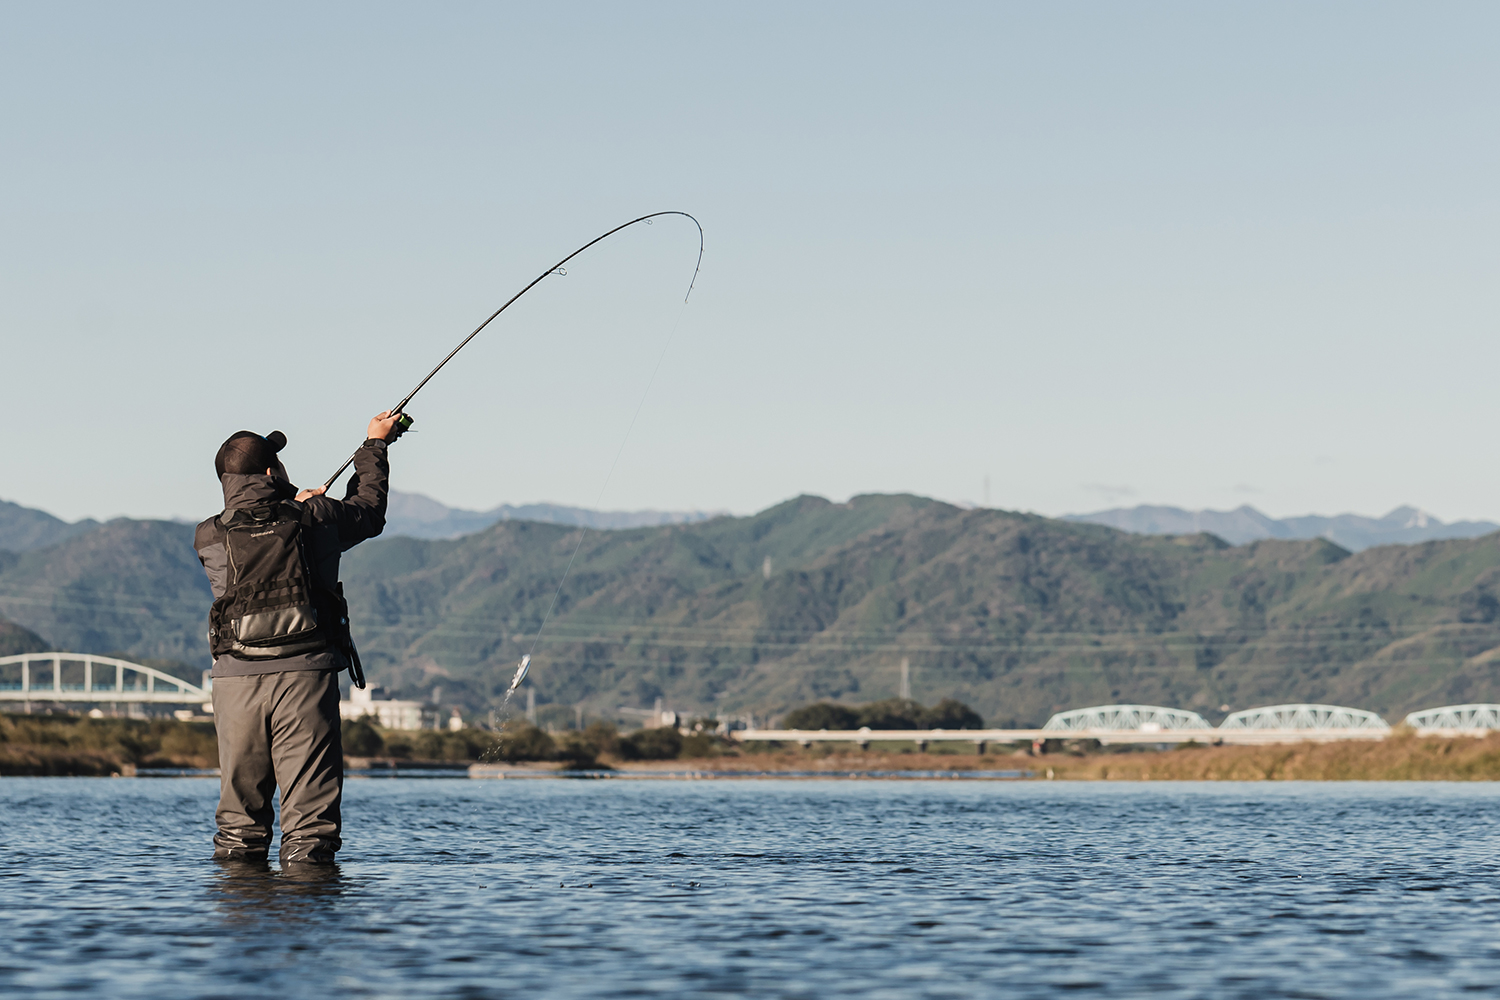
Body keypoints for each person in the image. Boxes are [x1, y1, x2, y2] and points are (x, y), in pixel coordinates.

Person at [194, 411, 401, 865]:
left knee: (239, 823)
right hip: (304, 676)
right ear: (272, 472)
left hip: (234, 682)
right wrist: (375, 445)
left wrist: (299, 506)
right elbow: (367, 512)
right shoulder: (314, 519)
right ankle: (306, 927)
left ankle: (241, 921)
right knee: (309, 824)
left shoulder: (208, 535)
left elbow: (272, 536)